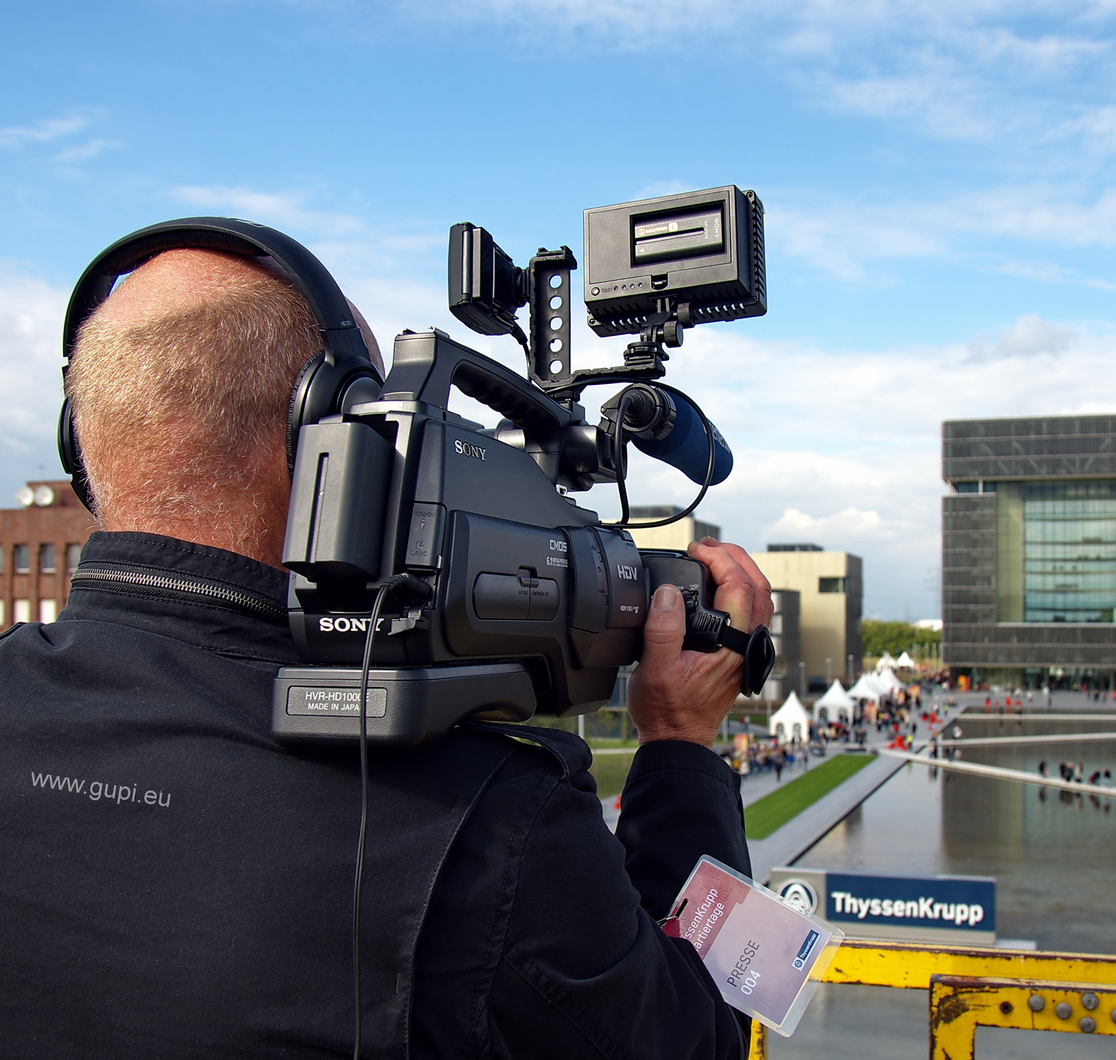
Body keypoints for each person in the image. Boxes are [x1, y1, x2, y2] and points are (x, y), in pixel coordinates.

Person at [0, 244, 768, 1058]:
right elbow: (708, 1035)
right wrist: (680, 749)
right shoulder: (493, 827)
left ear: (83, 453)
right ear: (329, 432)